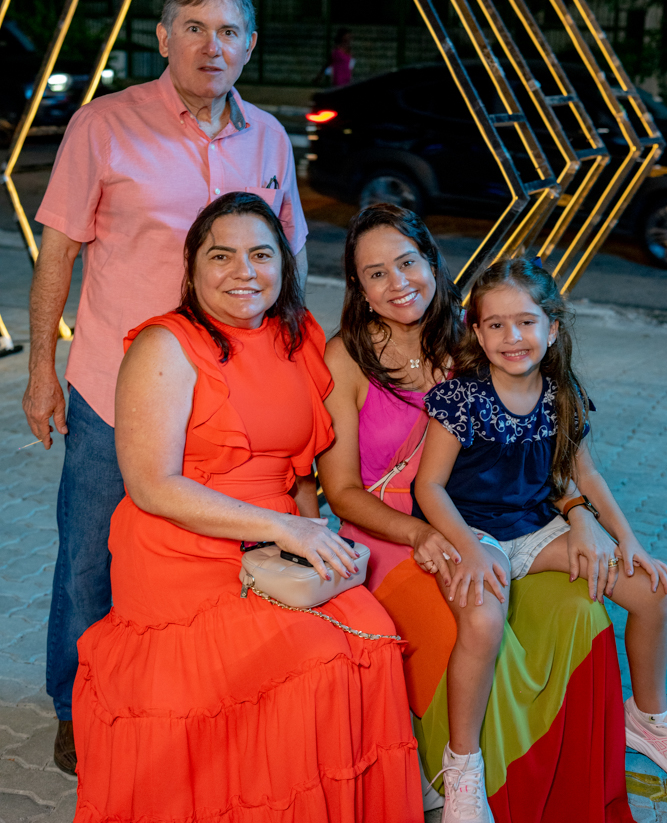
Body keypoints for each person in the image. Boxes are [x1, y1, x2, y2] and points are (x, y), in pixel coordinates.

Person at [22, 0, 309, 773]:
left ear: (249, 45)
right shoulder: (103, 126)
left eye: (226, 31)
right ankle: (75, 704)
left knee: (201, 554)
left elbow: (288, 259)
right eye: (193, 28)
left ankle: (182, 692)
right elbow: (59, 252)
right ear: (162, 38)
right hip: (115, 384)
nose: (209, 46)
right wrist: (43, 369)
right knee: (90, 554)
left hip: (229, 397)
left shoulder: (268, 140)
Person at [72, 191, 423, 822]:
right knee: (308, 661)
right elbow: (151, 485)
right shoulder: (165, 345)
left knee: (369, 635)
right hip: (180, 544)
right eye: (222, 255)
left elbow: (301, 467)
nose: (244, 272)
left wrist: (310, 529)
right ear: (193, 267)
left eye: (261, 254)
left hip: (276, 537)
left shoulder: (298, 338)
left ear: (285, 266)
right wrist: (285, 527)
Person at [319, 206, 632, 823]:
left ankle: (566, 783)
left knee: (582, 602)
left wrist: (580, 515)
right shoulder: (344, 359)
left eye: (408, 262)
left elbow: (547, 455)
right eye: (374, 273)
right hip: (392, 534)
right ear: (358, 288)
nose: (397, 282)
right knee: (463, 624)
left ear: (433, 261)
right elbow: (342, 492)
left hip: (486, 526)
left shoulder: (477, 341)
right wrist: (422, 533)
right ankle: (460, 779)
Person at [415, 256, 667, 822]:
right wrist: (469, 546)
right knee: (482, 622)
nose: (513, 337)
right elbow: (428, 487)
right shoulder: (463, 399)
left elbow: (588, 475)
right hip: (470, 530)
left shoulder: (561, 392)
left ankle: (647, 717)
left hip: (535, 530)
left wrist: (629, 541)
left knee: (653, 591)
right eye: (496, 324)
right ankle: (462, 768)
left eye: (526, 322)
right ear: (476, 332)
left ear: (553, 328)